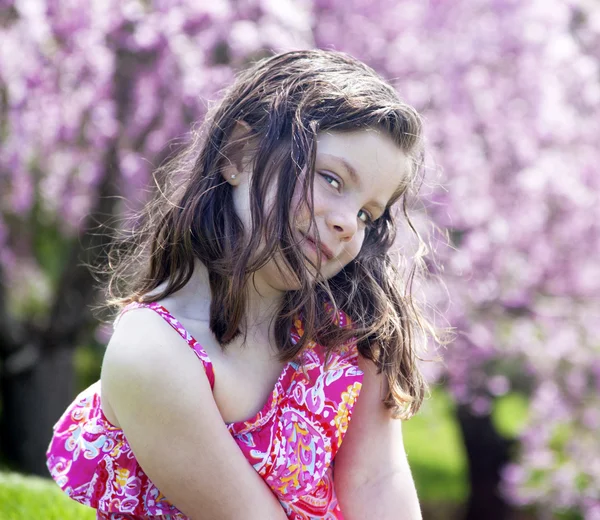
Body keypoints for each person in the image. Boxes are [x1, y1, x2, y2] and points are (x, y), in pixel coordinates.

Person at [46, 49, 435, 519]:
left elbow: (377, 482)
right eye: (331, 179)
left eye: (366, 214)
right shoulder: (155, 351)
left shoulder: (345, 335)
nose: (348, 224)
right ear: (239, 154)